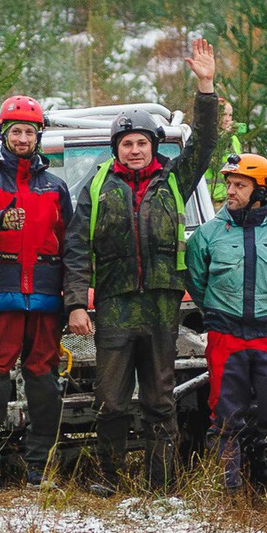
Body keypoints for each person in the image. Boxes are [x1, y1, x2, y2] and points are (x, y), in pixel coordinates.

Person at [65, 37, 221, 495]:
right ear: (116, 148)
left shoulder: (174, 178)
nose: (134, 150)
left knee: (159, 400)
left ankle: (162, 484)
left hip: (161, 302)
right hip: (113, 304)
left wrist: (206, 87)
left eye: (142, 142)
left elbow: (206, 142)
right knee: (110, 401)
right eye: (127, 143)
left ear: (154, 145)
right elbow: (76, 249)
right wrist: (77, 303)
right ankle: (109, 481)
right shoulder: (95, 188)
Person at [185, 152, 267, 511]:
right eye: (229, 184)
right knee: (225, 418)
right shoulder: (207, 235)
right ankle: (232, 501)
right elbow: (197, 281)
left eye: (239, 185)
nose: (231, 191)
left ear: (261, 190)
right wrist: (218, 313)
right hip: (225, 335)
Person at [0, 96, 76, 491]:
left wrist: (72, 293)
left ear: (39, 135)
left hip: (45, 296)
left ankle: (40, 468)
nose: (23, 138)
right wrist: (0, 218)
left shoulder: (55, 186)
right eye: (16, 132)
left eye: (29, 131)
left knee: (44, 384)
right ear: (4, 134)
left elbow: (69, 242)